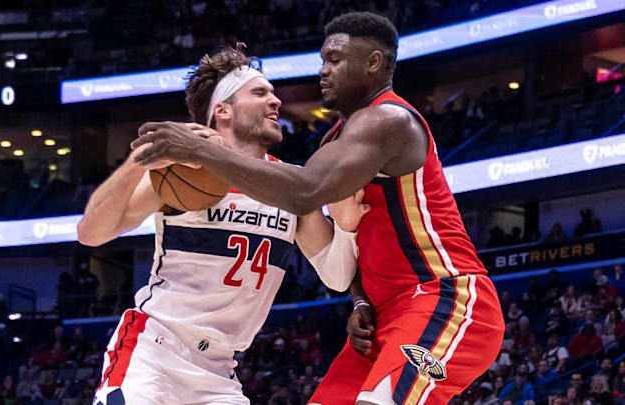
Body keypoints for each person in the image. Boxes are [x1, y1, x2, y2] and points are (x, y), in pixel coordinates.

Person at [131, 11, 505, 405]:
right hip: (384, 317)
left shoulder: (389, 119)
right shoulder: (334, 142)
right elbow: (355, 243)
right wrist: (360, 299)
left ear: (373, 63)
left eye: (335, 60)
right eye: (322, 61)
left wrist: (201, 151)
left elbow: (304, 191)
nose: (323, 71)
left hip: (446, 299)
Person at [79, 44, 365, 405]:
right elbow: (91, 234)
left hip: (218, 371)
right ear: (223, 110)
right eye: (260, 92)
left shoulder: (292, 184)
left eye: (274, 94)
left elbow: (337, 277)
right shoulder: (182, 173)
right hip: (153, 355)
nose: (275, 101)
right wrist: (141, 159)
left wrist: (346, 227)